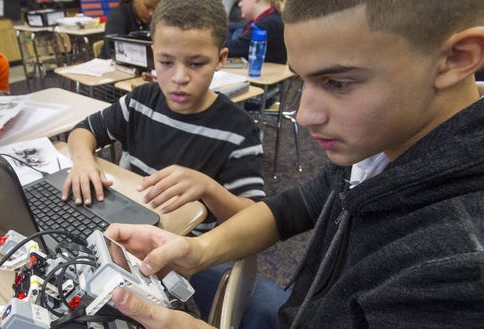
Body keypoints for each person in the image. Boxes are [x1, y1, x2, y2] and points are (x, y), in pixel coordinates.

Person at [101, 0, 484, 328]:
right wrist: (197, 251)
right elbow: (294, 208)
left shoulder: (458, 271)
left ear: (457, 58)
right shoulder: (382, 142)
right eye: (304, 81)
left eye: (337, 83)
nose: (304, 114)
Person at [62, 0, 265, 237]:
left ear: (220, 59)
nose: (179, 77)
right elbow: (82, 131)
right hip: (125, 223)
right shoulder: (140, 100)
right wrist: (84, 162)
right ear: (152, 54)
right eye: (166, 62)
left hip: (186, 246)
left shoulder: (239, 130)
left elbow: (254, 217)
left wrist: (209, 189)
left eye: (196, 63)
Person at [226, 0, 286, 64]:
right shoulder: (265, 20)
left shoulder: (269, 23)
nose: (239, 4)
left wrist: (215, 46)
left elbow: (236, 49)